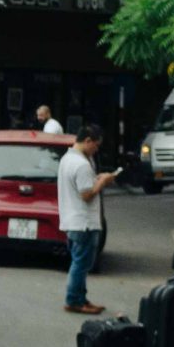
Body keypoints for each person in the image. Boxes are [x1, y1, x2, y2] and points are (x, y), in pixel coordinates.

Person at [58, 124, 118, 314]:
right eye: (96, 145)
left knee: (81, 263)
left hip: (73, 219)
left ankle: (80, 298)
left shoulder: (70, 158)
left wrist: (97, 178)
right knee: (81, 263)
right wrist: (103, 181)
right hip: (83, 222)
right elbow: (87, 194)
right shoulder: (81, 164)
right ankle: (74, 300)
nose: (97, 149)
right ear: (88, 140)